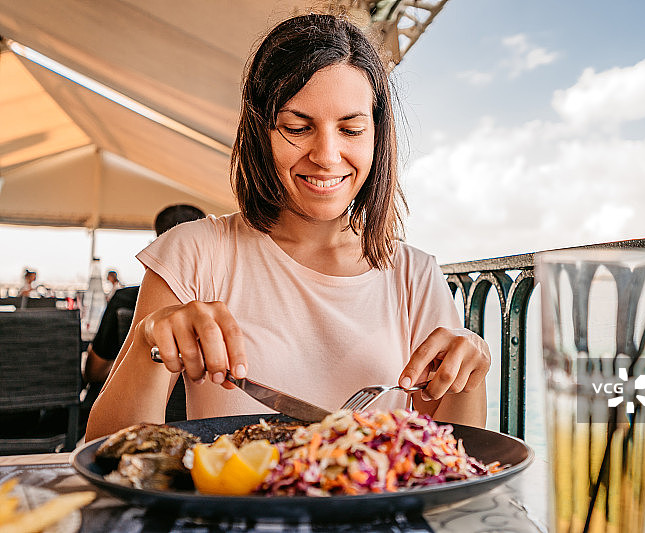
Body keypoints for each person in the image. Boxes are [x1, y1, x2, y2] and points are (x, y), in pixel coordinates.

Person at [86, 14, 490, 441]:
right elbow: (103, 447)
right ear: (261, 132)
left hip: (371, 507)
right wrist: (153, 344)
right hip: (234, 506)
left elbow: (454, 457)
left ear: (377, 137)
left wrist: (472, 371)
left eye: (351, 129)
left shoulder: (415, 275)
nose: (327, 155)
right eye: (298, 127)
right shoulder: (194, 252)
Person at [83, 204, 207, 385]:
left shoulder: (126, 300)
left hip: (134, 406)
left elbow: (94, 374)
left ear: (157, 246)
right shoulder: (217, 305)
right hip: (209, 411)